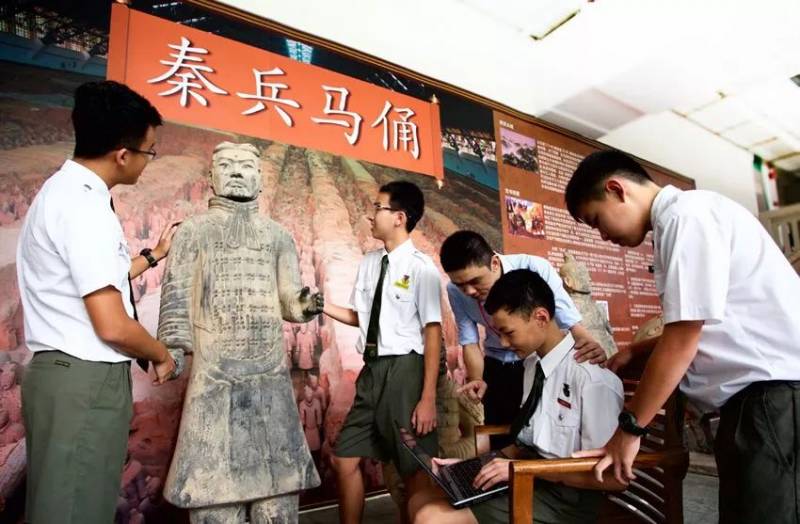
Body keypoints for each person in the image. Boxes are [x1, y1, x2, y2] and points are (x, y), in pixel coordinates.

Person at [565, 149, 800, 524]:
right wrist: (636, 352)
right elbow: (706, 320)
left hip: (770, 400)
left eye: (597, 221)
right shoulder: (683, 218)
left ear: (616, 189)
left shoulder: (685, 217)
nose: (604, 235)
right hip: (757, 403)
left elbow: (683, 338)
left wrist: (629, 429)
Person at [16, 80, 178, 524]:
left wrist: (152, 257)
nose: (148, 161)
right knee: (76, 509)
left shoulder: (64, 192)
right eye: (149, 151)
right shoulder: (84, 207)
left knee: (62, 502)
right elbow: (112, 325)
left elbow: (90, 279)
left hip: (65, 377)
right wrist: (160, 354)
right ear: (123, 154)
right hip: (84, 379)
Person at [414, 269, 625, 524]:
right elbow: (525, 444)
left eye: (509, 332)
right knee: (420, 497)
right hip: (531, 477)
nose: (503, 344)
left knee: (429, 517)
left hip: (568, 499)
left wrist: (523, 470)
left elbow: (613, 478)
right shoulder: (532, 366)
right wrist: (467, 466)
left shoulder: (591, 379)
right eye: (498, 334)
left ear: (541, 317)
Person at [323, 181, 442, 523]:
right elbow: (360, 317)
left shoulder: (421, 268)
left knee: (413, 468)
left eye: (378, 208)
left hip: (406, 371)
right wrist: (321, 305)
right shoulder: (370, 262)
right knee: (343, 459)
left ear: (399, 218)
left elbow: (432, 332)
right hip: (372, 371)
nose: (370, 215)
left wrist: (428, 397)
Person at [439, 230, 606, 448]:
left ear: (495, 263)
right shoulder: (455, 291)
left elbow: (571, 323)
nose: (469, 291)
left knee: (540, 432)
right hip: (495, 365)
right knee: (499, 435)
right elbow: (469, 340)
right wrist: (477, 378)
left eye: (475, 281)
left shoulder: (534, 268)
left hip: (536, 363)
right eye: (461, 285)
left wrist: (590, 353)